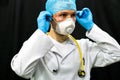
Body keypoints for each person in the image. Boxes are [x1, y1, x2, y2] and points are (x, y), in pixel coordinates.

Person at [11, 0, 120, 80]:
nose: (69, 20)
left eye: (72, 15)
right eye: (63, 15)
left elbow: (117, 53)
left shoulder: (84, 46)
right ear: (50, 18)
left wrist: (91, 27)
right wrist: (40, 32)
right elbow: (21, 70)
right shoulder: (35, 46)